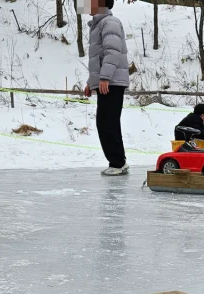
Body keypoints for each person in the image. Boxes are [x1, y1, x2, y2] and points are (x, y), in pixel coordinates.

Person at [83, 0, 130, 176]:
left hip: (112, 82)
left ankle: (118, 162)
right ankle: (118, 161)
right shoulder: (98, 25)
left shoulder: (110, 22)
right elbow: (98, 59)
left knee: (107, 122)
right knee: (106, 122)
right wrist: (91, 82)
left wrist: (104, 77)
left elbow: (112, 52)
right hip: (107, 81)